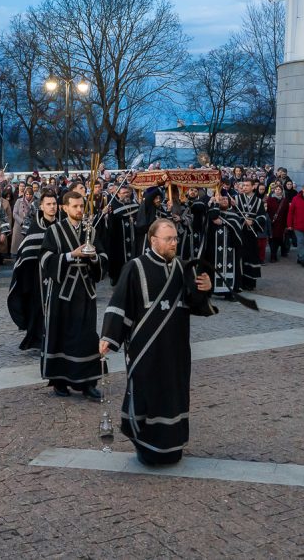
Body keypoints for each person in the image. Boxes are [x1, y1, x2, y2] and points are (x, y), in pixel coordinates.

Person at [99, 219, 216, 466]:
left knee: (174, 395)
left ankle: (173, 447)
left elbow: (197, 304)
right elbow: (120, 302)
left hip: (176, 350)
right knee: (147, 395)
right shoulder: (135, 267)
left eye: (176, 238)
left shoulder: (184, 268)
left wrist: (206, 288)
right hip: (146, 351)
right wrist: (109, 337)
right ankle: (147, 448)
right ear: (154, 241)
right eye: (169, 239)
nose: (174, 243)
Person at [39, 191, 108, 399]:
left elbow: (104, 257)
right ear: (65, 208)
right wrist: (72, 255)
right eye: (75, 206)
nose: (79, 210)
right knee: (62, 335)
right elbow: (45, 259)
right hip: (63, 293)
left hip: (85, 292)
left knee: (86, 337)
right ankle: (60, 381)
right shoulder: (55, 231)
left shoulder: (91, 231)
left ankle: (88, 383)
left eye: (81, 206)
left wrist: (94, 256)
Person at [8, 189, 59, 352]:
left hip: (59, 276)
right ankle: (39, 339)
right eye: (48, 204)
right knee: (39, 308)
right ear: (42, 206)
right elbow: (27, 250)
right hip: (37, 277)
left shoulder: (62, 226)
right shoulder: (35, 227)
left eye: (54, 204)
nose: (52, 207)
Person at [203, 192, 244, 299]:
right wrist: (215, 203)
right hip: (214, 247)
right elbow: (214, 217)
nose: (225, 200)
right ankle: (212, 290)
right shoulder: (213, 211)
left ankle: (229, 292)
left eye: (226, 199)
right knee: (212, 267)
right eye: (222, 199)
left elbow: (236, 226)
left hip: (230, 247)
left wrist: (224, 222)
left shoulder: (234, 213)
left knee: (232, 269)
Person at [103, 185, 140, 285]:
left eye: (128, 193)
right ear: (118, 194)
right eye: (123, 193)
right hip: (119, 242)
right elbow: (109, 227)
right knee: (119, 260)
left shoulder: (135, 205)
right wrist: (106, 216)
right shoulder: (113, 207)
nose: (126, 195)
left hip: (133, 240)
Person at [265, 183, 289, 262]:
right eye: (276, 189)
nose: (277, 191)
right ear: (274, 190)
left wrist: (286, 225)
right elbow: (267, 211)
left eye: (279, 189)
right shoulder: (270, 199)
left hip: (281, 224)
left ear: (282, 191)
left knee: (278, 239)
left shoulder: (285, 201)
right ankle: (273, 256)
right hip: (271, 223)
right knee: (272, 239)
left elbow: (286, 213)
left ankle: (274, 254)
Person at [11, 186, 35, 255]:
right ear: (24, 194)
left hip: (30, 226)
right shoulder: (19, 201)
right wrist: (22, 221)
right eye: (27, 194)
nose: (28, 196)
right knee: (17, 246)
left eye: (30, 194)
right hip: (19, 226)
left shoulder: (34, 202)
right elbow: (14, 213)